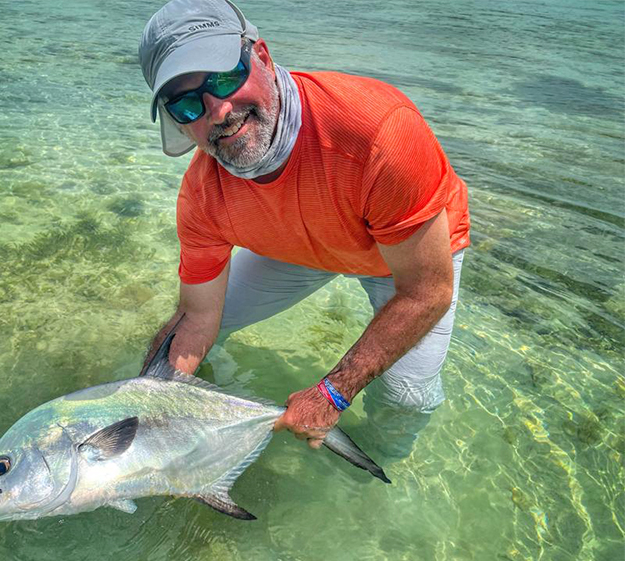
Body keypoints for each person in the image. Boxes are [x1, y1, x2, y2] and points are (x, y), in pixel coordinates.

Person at [137, 0, 470, 457]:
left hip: (401, 256)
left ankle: (381, 470)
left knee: (406, 395)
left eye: (224, 77)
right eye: (187, 102)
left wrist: (333, 392)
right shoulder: (202, 197)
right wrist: (141, 407)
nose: (218, 111)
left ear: (264, 59)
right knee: (201, 332)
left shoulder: (378, 133)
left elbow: (428, 292)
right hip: (299, 246)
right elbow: (197, 318)